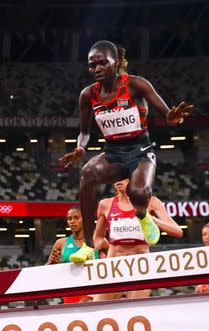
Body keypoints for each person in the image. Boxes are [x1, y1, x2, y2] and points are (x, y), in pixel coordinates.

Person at [58, 40, 193, 263]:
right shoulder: (87, 95)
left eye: (103, 63)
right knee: (87, 173)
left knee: (137, 194)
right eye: (92, 65)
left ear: (117, 62)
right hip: (113, 152)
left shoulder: (136, 85)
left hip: (141, 150)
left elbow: (167, 114)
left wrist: (173, 117)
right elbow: (84, 132)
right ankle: (89, 246)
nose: (97, 69)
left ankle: (142, 215)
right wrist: (80, 148)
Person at [92, 179, 182, 301]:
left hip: (141, 266)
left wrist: (152, 220)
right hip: (114, 266)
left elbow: (178, 231)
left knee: (135, 310)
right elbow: (98, 237)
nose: (117, 180)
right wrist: (100, 251)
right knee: (99, 308)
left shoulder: (151, 202)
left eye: (122, 177)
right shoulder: (105, 204)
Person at [46, 205, 98, 303]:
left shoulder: (98, 241)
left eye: (76, 218)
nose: (72, 221)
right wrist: (51, 262)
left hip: (93, 292)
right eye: (69, 219)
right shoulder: (61, 243)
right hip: (70, 293)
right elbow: (46, 271)